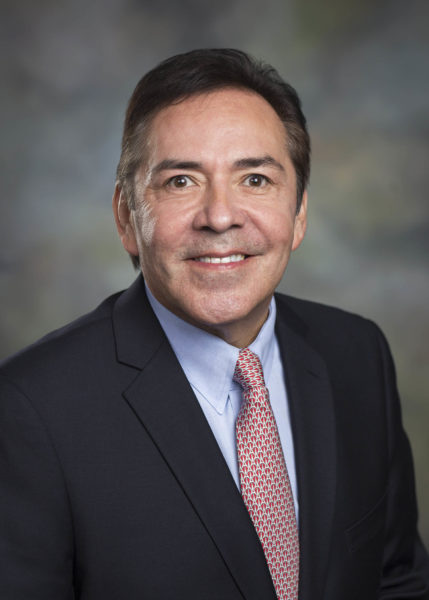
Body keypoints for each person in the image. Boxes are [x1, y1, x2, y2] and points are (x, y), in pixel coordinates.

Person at [0, 49, 428, 600]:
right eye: (181, 181)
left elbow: (397, 580)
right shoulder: (29, 411)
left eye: (255, 179)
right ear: (127, 217)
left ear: (299, 213)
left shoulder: (357, 354)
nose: (220, 216)